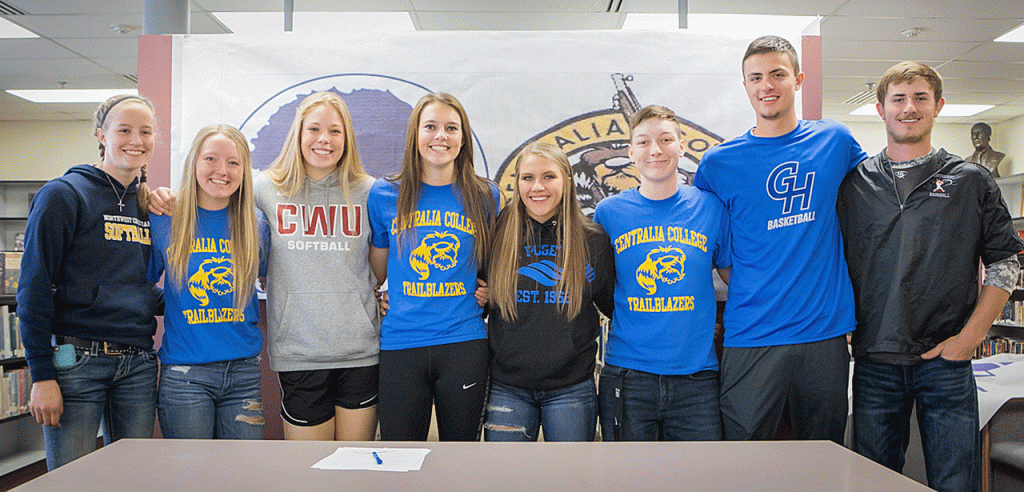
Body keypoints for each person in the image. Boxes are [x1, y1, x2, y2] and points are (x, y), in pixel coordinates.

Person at [151, 92, 380, 441]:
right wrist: (161, 196)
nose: (324, 139)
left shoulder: (369, 191)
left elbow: (388, 256)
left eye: (335, 131)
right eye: (314, 129)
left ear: (347, 137)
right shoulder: (265, 188)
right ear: (298, 134)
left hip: (359, 349)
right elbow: (213, 192)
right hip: (296, 353)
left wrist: (392, 295)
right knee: (305, 468)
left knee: (353, 463)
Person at [838, 61, 1022, 492]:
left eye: (920, 98)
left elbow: (1004, 264)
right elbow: (833, 259)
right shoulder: (854, 183)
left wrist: (969, 340)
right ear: (881, 109)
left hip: (946, 361)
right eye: (898, 99)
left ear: (938, 106)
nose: (909, 108)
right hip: (875, 359)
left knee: (955, 481)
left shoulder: (971, 180)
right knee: (874, 481)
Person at [693, 35, 868, 443]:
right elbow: (708, 239)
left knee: (823, 454)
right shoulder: (718, 163)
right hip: (752, 332)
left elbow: (873, 205)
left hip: (823, 332)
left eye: (777, 74)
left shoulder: (835, 141)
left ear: (798, 79)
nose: (766, 86)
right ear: (745, 86)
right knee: (742, 455)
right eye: (756, 78)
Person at [18, 94, 161, 469]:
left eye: (145, 132)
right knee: (71, 482)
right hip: (75, 361)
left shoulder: (148, 205)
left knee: (133, 480)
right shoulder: (63, 195)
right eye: (124, 130)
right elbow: (33, 288)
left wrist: (198, 299)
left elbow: (137, 287)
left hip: (138, 364)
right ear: (101, 135)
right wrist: (41, 375)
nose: (136, 140)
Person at [368, 92, 499, 441]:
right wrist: (380, 296)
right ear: (415, 134)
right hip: (401, 343)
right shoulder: (383, 193)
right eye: (431, 127)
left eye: (451, 128)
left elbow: (491, 264)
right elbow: (377, 273)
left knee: (462, 457)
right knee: (399, 457)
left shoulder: (486, 196)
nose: (441, 136)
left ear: (463, 138)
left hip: (463, 342)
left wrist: (490, 290)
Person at [594, 105, 730, 441]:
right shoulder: (608, 213)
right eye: (643, 142)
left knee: (701, 471)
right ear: (631, 152)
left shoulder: (711, 208)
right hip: (628, 375)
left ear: (681, 147)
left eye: (665, 139)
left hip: (696, 378)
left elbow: (735, 279)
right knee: (626, 472)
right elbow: (598, 287)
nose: (655, 150)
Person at [483, 141, 614, 442]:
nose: (537, 187)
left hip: (572, 388)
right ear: (517, 183)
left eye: (549, 177)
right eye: (528, 178)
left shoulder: (593, 240)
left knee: (571, 472)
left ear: (567, 180)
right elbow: (476, 294)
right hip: (507, 387)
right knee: (504, 471)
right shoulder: (497, 233)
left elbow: (614, 306)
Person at [148, 124, 269, 439]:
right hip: (185, 375)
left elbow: (271, 282)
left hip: (243, 372)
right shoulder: (164, 218)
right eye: (211, 159)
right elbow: (139, 286)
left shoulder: (256, 224)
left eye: (233, 162)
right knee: (192, 469)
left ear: (244, 170)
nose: (222, 171)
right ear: (194, 163)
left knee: (244, 469)